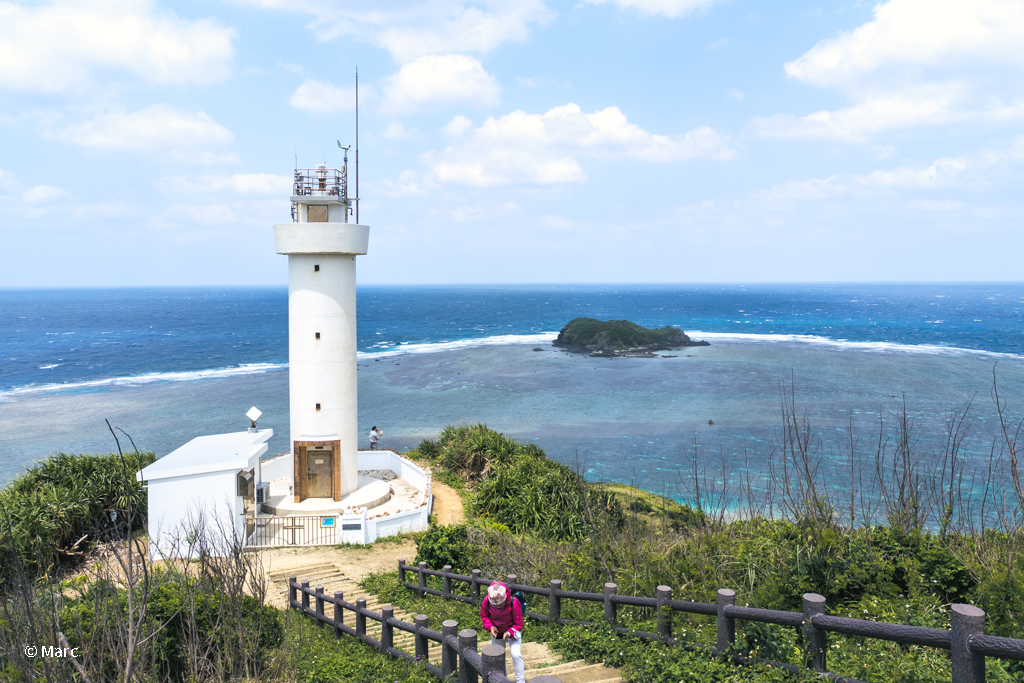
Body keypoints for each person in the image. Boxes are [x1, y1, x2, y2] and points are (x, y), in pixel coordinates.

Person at [480, 582, 525, 683]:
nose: (498, 606)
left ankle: (520, 681)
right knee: (499, 657)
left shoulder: (514, 602)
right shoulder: (487, 600)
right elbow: (484, 616)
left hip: (513, 630)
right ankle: (502, 680)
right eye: (496, 604)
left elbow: (519, 624)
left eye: (500, 603)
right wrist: (490, 627)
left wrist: (509, 633)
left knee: (516, 655)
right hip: (497, 631)